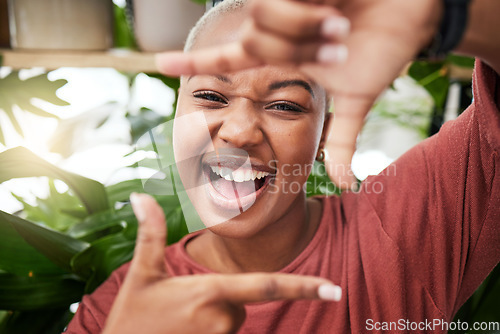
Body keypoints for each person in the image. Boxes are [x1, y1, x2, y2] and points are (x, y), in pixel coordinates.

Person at [66, 0, 500, 333]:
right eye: (211, 97)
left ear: (325, 133)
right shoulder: (117, 310)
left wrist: (449, 14)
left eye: (284, 105)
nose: (238, 131)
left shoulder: (402, 234)